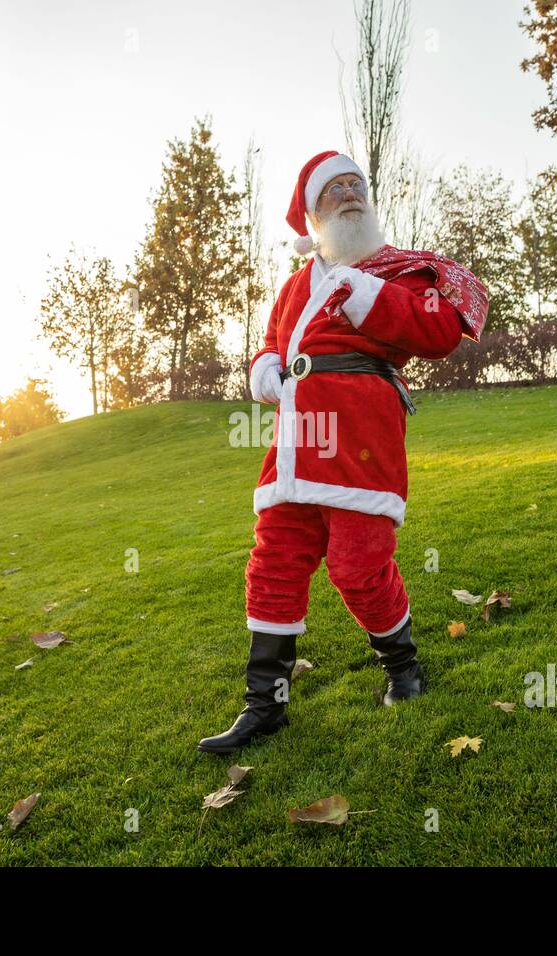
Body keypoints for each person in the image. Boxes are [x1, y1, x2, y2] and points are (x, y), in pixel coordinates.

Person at [197, 150, 489, 755]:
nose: (351, 194)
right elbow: (275, 338)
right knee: (274, 559)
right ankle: (264, 706)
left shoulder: (402, 270)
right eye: (335, 190)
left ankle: (402, 668)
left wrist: (363, 290)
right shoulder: (296, 284)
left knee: (357, 565)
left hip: (360, 432)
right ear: (312, 213)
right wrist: (265, 365)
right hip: (297, 438)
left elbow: (434, 334)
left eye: (358, 185)